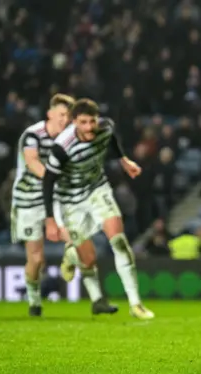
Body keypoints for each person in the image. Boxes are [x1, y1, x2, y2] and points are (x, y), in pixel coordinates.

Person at [42, 98, 155, 320]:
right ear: (74, 122)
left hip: (97, 190)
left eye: (92, 121)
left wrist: (123, 160)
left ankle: (136, 304)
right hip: (70, 201)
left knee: (119, 241)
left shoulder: (105, 127)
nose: (89, 127)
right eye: (83, 122)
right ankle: (75, 262)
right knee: (89, 259)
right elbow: (47, 182)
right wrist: (50, 219)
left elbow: (111, 139)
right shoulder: (62, 148)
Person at [11, 94, 99, 317]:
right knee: (37, 259)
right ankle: (34, 298)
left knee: (76, 237)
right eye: (61, 115)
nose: (64, 120)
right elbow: (32, 161)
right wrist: (53, 179)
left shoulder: (69, 139)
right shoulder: (33, 135)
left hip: (54, 198)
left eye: (67, 116)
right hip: (28, 201)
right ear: (49, 114)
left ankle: (94, 294)